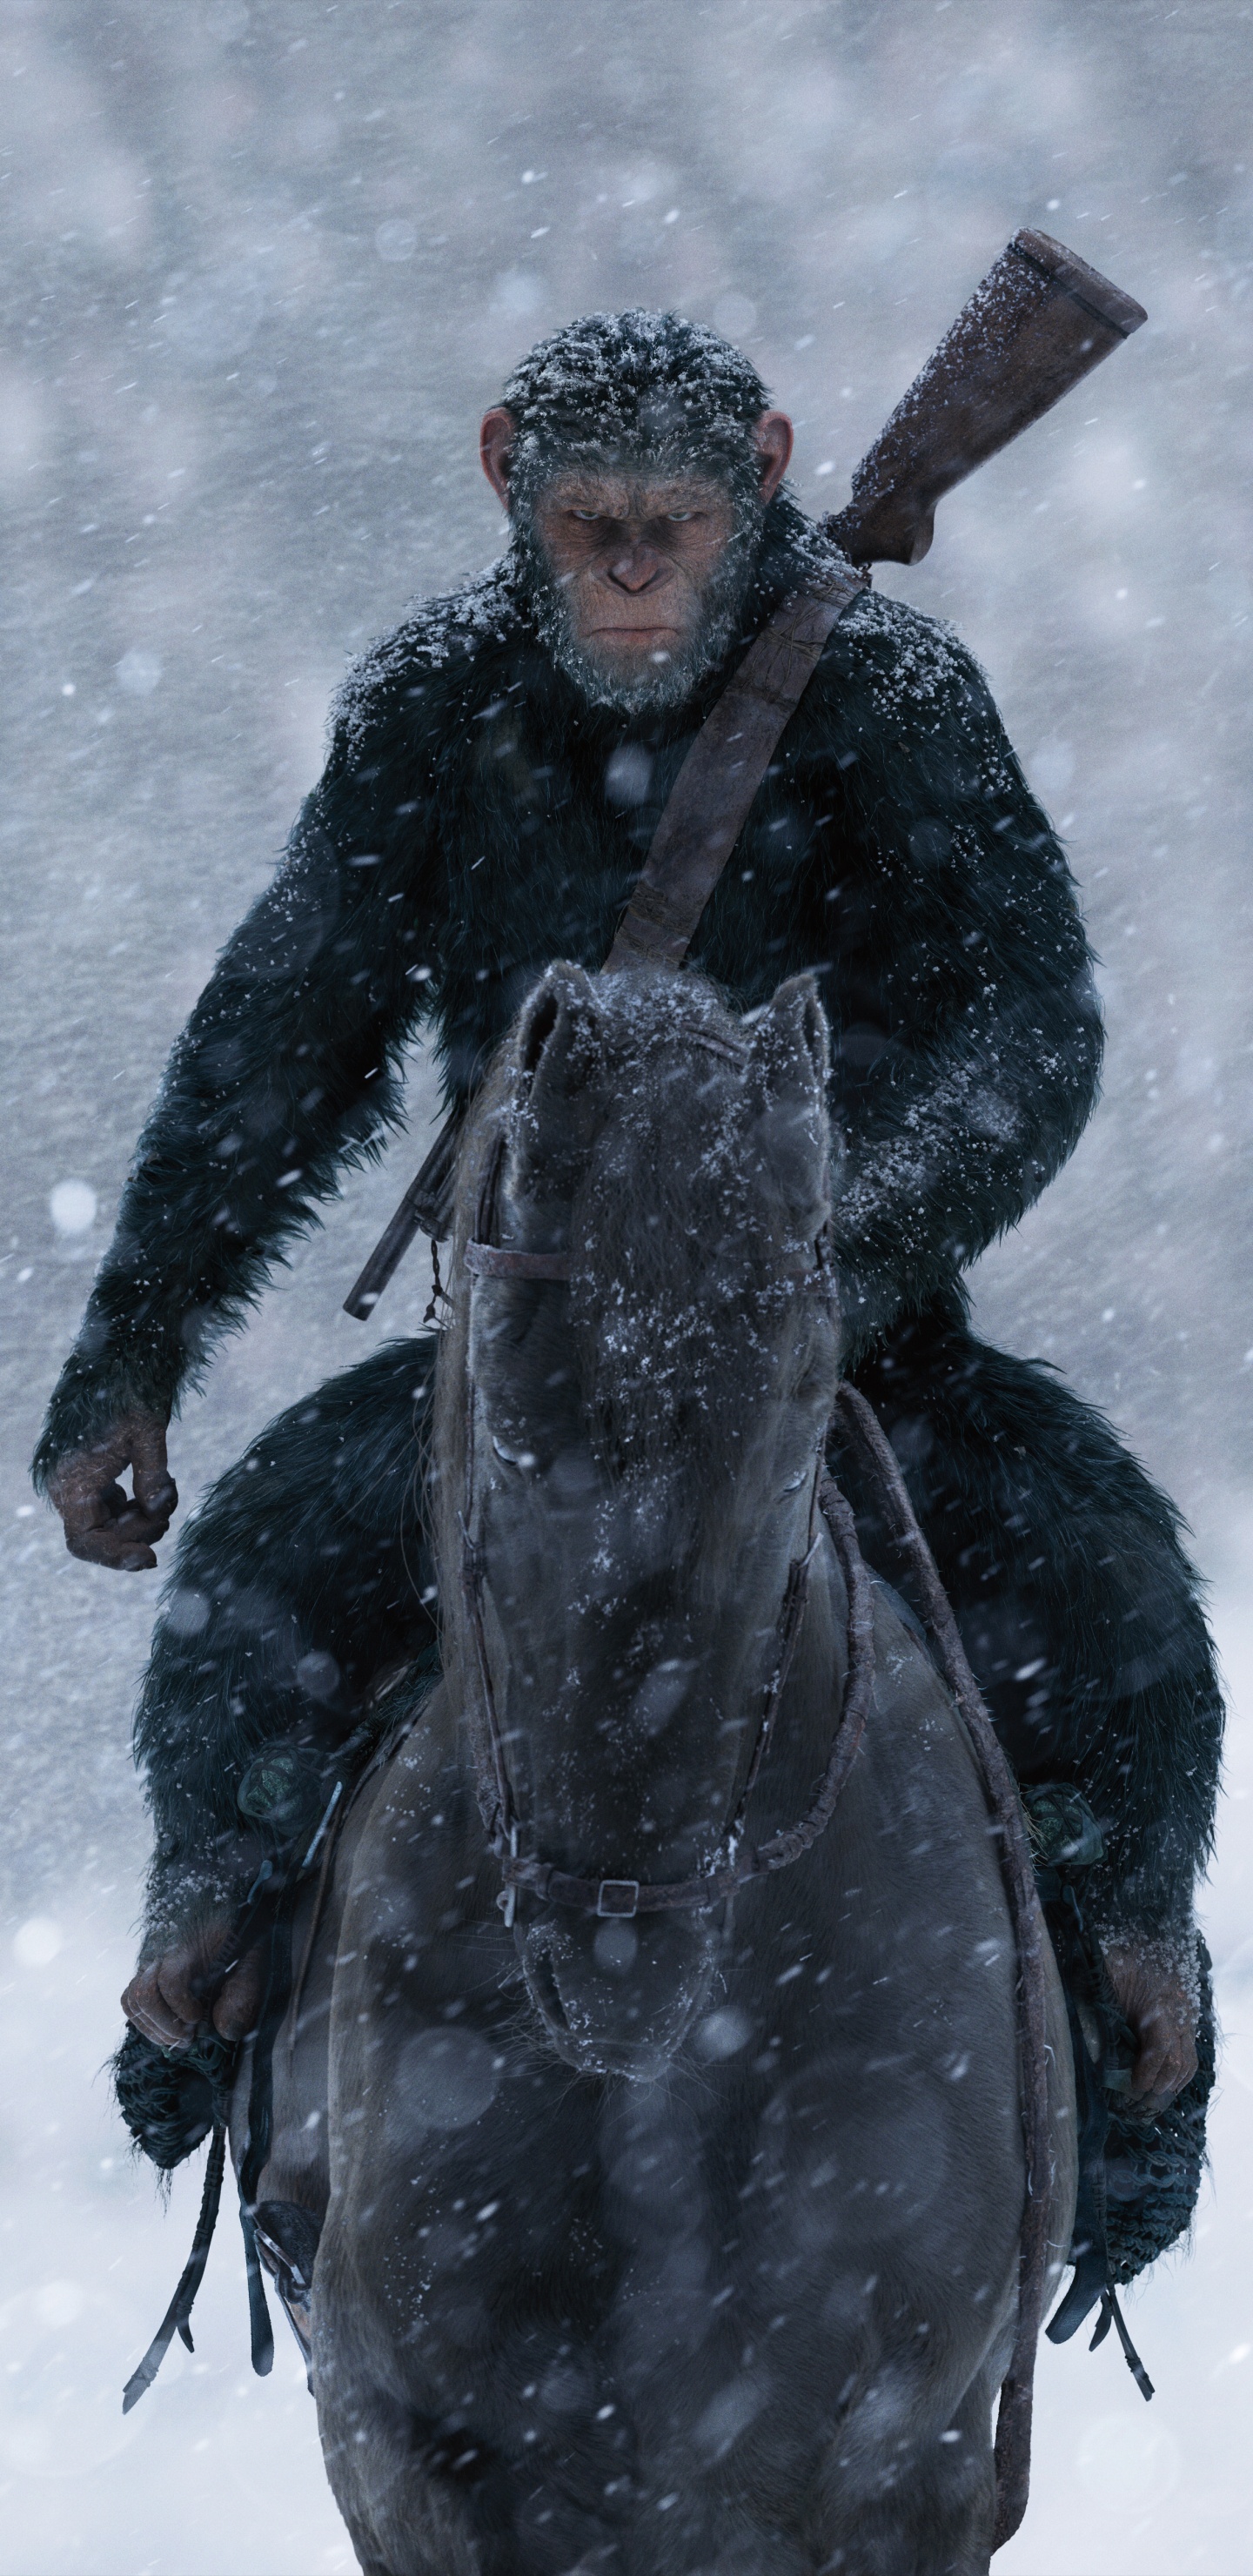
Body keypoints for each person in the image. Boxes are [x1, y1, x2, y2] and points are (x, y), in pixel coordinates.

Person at [35, 309, 1217, 2112]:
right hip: (526, 1368)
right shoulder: (436, 698)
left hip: (860, 1357)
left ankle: (1129, 2026)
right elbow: (281, 1039)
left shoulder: (887, 693)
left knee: (1121, 1603)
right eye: (596, 528)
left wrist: (834, 1262)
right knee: (255, 1585)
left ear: (767, 478)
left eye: (679, 527)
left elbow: (1031, 1031)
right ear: (509, 480)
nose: (638, 575)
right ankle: (215, 1962)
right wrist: (133, 1348)